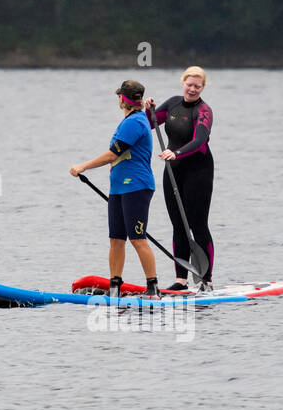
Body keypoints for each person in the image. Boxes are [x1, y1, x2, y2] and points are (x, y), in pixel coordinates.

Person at [69, 79, 160, 298]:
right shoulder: (132, 119)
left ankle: (153, 288)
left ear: (124, 99)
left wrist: (83, 166)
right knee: (116, 239)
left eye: (120, 95)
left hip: (136, 187)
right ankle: (114, 288)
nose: (118, 99)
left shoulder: (135, 123)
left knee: (137, 239)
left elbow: (112, 154)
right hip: (119, 189)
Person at [144, 65, 215, 291]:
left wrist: (177, 153)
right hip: (173, 170)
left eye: (197, 86)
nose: (192, 89)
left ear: (203, 87)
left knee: (197, 225)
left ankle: (207, 280)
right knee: (178, 225)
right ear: (183, 83)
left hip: (199, 171)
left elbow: (200, 140)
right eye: (189, 84)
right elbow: (149, 122)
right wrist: (148, 110)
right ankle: (181, 280)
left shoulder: (203, 111)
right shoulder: (174, 102)